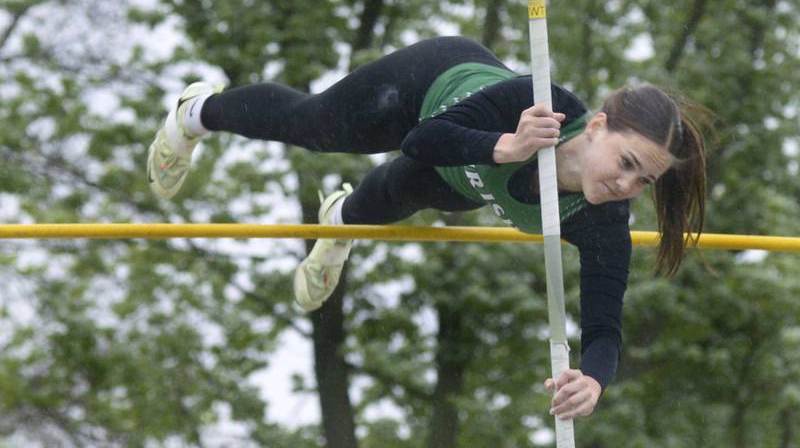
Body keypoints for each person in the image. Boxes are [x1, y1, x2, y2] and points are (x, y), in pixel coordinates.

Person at [146, 36, 706, 420]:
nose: (626, 185)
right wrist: (505, 145)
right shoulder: (539, 104)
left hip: (465, 181)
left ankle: (338, 226)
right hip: (429, 91)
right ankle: (195, 112)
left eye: (643, 182)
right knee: (315, 127)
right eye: (626, 163)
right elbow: (422, 140)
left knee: (389, 199)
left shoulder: (603, 220)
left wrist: (594, 379)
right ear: (598, 127)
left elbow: (605, 327)